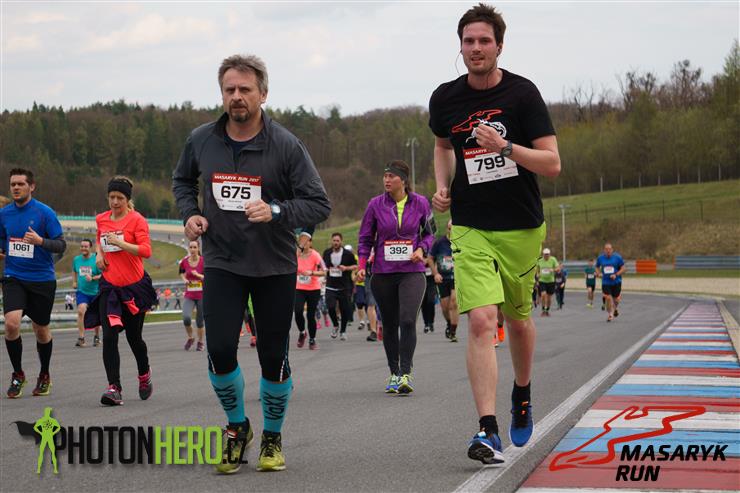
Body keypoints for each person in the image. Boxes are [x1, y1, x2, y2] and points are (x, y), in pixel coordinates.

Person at [172, 54, 330, 474]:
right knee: (221, 349)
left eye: (245, 89)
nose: (237, 96)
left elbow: (318, 203)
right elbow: (182, 180)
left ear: (263, 93)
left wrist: (277, 211)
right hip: (222, 261)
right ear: (222, 94)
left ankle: (272, 436)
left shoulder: (286, 145)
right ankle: (237, 427)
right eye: (230, 89)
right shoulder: (201, 140)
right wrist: (190, 213)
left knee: (273, 356)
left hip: (274, 265)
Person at [429, 4, 560, 464]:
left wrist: (505, 147)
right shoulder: (445, 98)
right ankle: (487, 429)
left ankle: (522, 392)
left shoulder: (523, 94)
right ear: (460, 46)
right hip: (470, 225)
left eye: (484, 40)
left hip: (521, 226)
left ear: (499, 46)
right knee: (483, 320)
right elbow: (442, 145)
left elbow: (552, 163)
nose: (476, 48)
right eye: (469, 41)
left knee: (519, 320)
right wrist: (443, 186)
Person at [357, 160, 434, 394]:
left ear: (404, 179)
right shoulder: (375, 205)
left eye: (392, 176)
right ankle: (394, 373)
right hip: (383, 273)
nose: (387, 180)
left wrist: (421, 249)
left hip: (412, 272)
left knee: (408, 320)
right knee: (389, 324)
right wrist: (362, 265)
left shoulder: (420, 203)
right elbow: (365, 238)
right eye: (385, 176)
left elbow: (430, 233)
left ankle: (406, 373)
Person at [84, 176, 156, 406]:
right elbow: (99, 239)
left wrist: (120, 243)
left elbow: (146, 251)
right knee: (109, 337)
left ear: (127, 199)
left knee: (134, 338)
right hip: (109, 287)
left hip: (134, 288)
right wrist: (99, 255)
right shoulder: (102, 219)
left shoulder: (137, 220)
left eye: (120, 198)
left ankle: (144, 374)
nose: (115, 202)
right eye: (111, 197)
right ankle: (114, 387)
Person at [1, 168, 66, 398]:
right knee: (11, 324)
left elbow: (61, 245)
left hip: (41, 280)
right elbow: (3, 240)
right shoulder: (4, 214)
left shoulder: (45, 213)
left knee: (41, 330)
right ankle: (18, 374)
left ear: (32, 186)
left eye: (20, 184)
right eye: (13, 184)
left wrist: (40, 241)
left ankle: (44, 374)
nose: (16, 188)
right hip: (14, 277)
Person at [322, 233, 357, 341]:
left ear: (341, 241)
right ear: (331, 241)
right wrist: (325, 270)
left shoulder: (348, 254)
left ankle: (343, 331)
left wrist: (346, 268)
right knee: (330, 306)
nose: (336, 243)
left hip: (344, 286)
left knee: (344, 309)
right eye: (334, 240)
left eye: (337, 241)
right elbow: (323, 265)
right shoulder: (327, 252)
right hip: (331, 285)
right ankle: (335, 325)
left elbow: (355, 266)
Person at [430, 219, 459, 342]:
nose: (451, 231)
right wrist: (435, 273)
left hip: (456, 277)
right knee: (445, 307)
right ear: (447, 229)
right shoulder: (440, 243)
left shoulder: (460, 242)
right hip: (443, 278)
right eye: (450, 229)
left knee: (454, 303)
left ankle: (453, 331)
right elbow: (430, 258)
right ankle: (449, 323)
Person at [295, 231, 325, 350]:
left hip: (313, 288)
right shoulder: (296, 254)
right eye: (302, 241)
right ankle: (302, 332)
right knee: (298, 311)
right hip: (299, 288)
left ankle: (312, 339)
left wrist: (312, 273)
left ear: (310, 242)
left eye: (306, 241)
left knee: (310, 315)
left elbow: (324, 271)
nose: (304, 243)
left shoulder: (316, 255)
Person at [72, 239, 102, 347]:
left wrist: (93, 278)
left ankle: (97, 337)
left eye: (86, 247)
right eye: (82, 246)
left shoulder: (96, 259)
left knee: (96, 314)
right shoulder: (76, 259)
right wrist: (74, 281)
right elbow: (74, 270)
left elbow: (103, 275)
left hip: (96, 292)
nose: (83, 248)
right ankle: (81, 338)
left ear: (90, 247)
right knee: (81, 311)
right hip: (82, 292)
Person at [179, 240, 205, 351]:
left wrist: (198, 275)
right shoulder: (184, 261)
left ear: (198, 248)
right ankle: (191, 338)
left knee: (199, 322)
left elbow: (208, 276)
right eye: (191, 247)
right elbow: (181, 272)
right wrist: (184, 279)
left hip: (201, 295)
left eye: (195, 247)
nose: (193, 249)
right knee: (186, 318)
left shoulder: (203, 261)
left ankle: (200, 342)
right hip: (189, 295)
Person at [596, 243, 625, 322]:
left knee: (616, 300)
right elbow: (597, 267)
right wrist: (598, 273)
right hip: (605, 282)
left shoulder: (618, 257)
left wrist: (616, 275)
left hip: (616, 281)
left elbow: (623, 268)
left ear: (612, 250)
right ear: (604, 250)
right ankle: (610, 314)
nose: (608, 251)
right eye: (606, 249)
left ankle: (615, 308)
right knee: (608, 298)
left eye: (609, 249)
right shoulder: (600, 258)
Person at [537, 248, 559, 316]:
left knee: (549, 297)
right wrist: (537, 274)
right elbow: (537, 269)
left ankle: (547, 310)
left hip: (551, 281)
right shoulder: (540, 260)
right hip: (542, 280)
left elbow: (558, 268)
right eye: (545, 254)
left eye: (547, 254)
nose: (546, 256)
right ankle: (543, 309)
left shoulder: (553, 259)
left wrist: (553, 270)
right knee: (543, 294)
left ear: (549, 254)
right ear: (543, 254)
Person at [420, 256, 437, 334]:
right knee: (423, 302)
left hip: (431, 279)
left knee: (431, 301)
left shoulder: (431, 251)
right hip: (421, 278)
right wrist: (422, 260)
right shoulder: (418, 250)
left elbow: (436, 259)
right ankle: (426, 324)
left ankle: (431, 322)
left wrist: (430, 261)